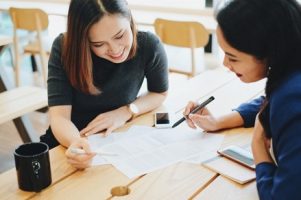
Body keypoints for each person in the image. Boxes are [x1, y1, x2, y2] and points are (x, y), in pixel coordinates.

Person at [184, 0, 301, 199]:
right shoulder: (291, 75)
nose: (225, 64)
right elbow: (268, 103)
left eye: (233, 57)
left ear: (270, 52)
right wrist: (218, 122)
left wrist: (258, 147)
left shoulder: (291, 99)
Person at [40, 0, 169, 169]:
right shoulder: (65, 48)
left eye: (120, 35)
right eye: (98, 44)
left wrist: (126, 112)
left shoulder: (148, 45)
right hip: (68, 145)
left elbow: (159, 93)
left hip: (117, 141)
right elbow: (59, 117)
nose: (115, 50)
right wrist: (76, 143)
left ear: (129, 17)